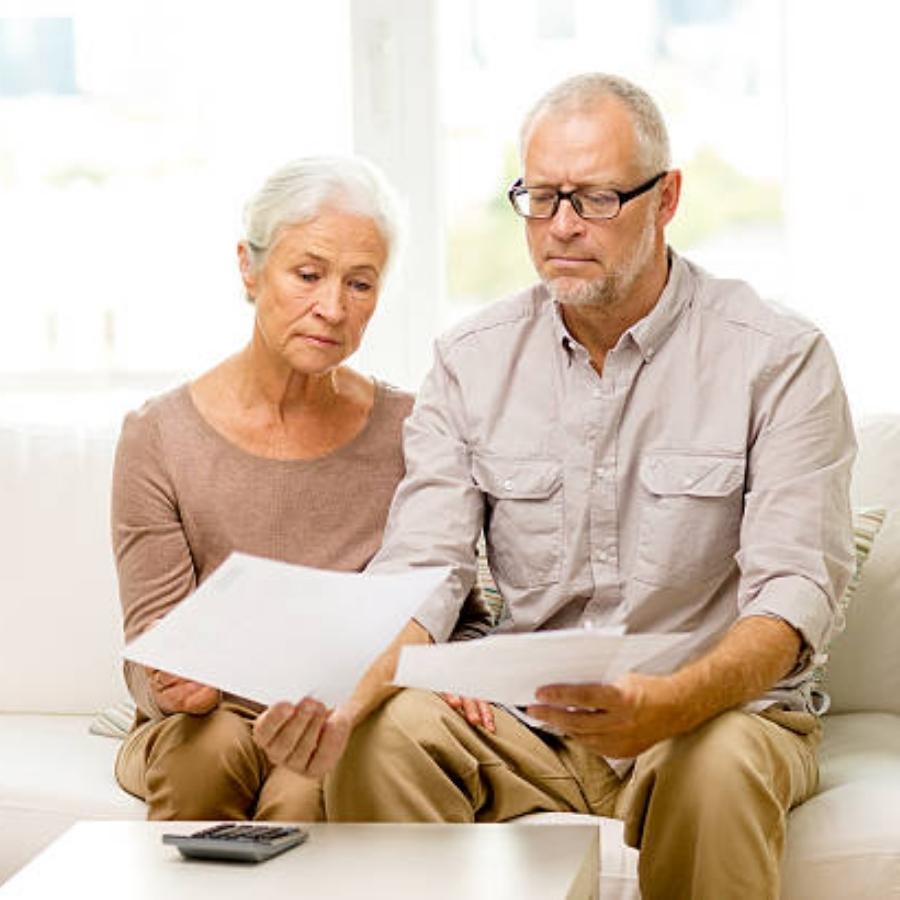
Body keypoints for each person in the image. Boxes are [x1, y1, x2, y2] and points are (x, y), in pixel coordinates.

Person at [314, 74, 856, 899]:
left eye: (596, 198)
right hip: (531, 725)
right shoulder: (471, 360)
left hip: (715, 716)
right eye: (540, 197)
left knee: (718, 770)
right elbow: (423, 572)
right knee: (379, 737)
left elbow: (793, 596)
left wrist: (672, 703)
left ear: (665, 197)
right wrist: (345, 704)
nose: (562, 226)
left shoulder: (778, 357)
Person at [112, 156, 454, 821]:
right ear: (249, 266)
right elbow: (147, 644)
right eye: (308, 274)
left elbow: (449, 599)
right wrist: (169, 685)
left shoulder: (416, 429)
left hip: (343, 711)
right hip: (204, 721)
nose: (332, 307)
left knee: (307, 788)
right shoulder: (157, 436)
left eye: (361, 284)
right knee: (203, 757)